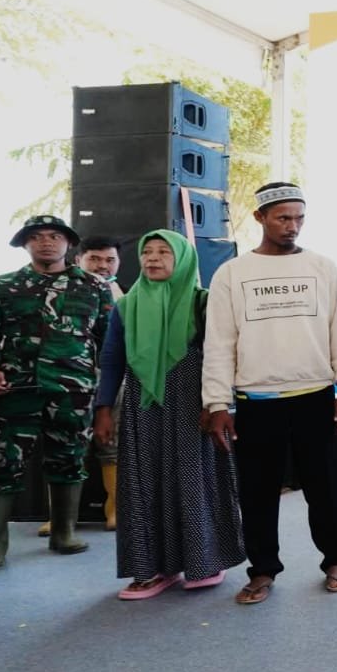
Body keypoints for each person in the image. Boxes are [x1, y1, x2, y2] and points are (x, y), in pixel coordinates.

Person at [203, 182, 337, 603]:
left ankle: (336, 561)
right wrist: (217, 403)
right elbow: (219, 343)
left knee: (325, 488)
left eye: (299, 218)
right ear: (260, 218)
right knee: (257, 492)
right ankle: (262, 570)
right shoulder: (232, 273)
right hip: (256, 401)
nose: (293, 226)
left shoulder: (323, 267)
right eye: (283, 218)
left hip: (315, 396)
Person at [94, 231, 243, 598]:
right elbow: (112, 360)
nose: (153, 258)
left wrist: (219, 404)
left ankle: (205, 561)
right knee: (143, 483)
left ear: (183, 260)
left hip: (195, 406)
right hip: (144, 408)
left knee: (193, 479)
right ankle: (151, 569)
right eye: (147, 251)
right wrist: (103, 409)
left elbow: (223, 356)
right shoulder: (127, 306)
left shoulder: (203, 303)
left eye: (164, 252)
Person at [0, 215, 112, 570]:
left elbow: (109, 341)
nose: (46, 242)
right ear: (24, 243)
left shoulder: (94, 286)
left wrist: (105, 393)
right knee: (1, 463)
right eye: (37, 236)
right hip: (14, 389)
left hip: (73, 390)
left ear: (69, 243)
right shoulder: (2, 286)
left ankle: (64, 532)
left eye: (55, 236)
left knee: (69, 458)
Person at [35, 235, 125, 538]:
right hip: (68, 380)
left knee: (111, 443)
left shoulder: (130, 295)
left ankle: (115, 511)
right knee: (67, 447)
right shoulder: (59, 289)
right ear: (78, 260)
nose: (102, 266)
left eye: (109, 260)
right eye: (94, 259)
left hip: (112, 380)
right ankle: (62, 519)